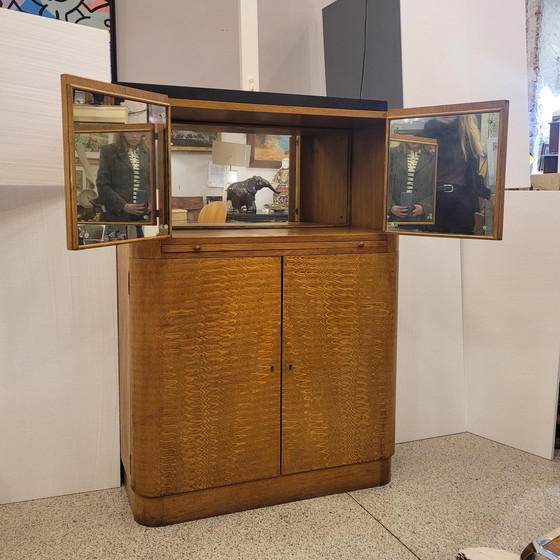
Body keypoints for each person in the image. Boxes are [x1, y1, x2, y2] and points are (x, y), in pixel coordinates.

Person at [422, 115, 491, 235]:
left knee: (464, 248)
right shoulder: (427, 134)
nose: (449, 113)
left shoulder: (468, 136)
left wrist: (491, 194)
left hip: (462, 203)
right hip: (433, 201)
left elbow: (473, 176)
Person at [96, 131, 151, 224]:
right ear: (122, 133)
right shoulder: (109, 151)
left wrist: (152, 201)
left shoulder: (147, 152)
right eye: (130, 132)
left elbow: (151, 180)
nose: (134, 135)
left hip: (142, 216)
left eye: (138, 132)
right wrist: (123, 205)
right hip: (116, 216)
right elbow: (102, 184)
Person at [387, 140, 436, 224]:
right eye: (410, 135)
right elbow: (383, 182)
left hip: (422, 219)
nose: (413, 139)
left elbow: (437, 186)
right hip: (395, 217)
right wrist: (390, 206)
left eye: (417, 135)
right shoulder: (392, 153)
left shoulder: (433, 156)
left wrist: (425, 207)